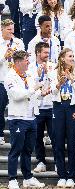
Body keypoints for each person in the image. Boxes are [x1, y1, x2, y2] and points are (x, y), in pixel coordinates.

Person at [4, 50, 45, 189]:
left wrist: (41, 93)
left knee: (28, 150)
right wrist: (34, 89)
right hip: (17, 118)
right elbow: (16, 95)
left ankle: (27, 178)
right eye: (26, 60)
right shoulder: (9, 76)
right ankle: (12, 179)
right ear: (17, 62)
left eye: (28, 60)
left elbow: (34, 94)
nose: (28, 62)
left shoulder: (29, 75)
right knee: (16, 150)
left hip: (31, 117)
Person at [49, 48, 75, 188]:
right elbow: (52, 91)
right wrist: (59, 83)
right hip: (58, 106)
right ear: (62, 58)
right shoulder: (53, 71)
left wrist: (71, 79)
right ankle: (61, 175)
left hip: (72, 107)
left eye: (73, 56)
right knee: (58, 141)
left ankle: (71, 175)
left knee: (72, 140)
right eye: (70, 56)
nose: (72, 58)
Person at [27, 42, 56, 173]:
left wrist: (48, 73)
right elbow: (31, 86)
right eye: (45, 52)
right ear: (38, 52)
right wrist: (39, 76)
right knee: (37, 136)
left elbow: (56, 83)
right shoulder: (30, 68)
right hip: (37, 106)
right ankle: (40, 161)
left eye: (48, 52)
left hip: (51, 106)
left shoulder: (53, 66)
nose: (47, 55)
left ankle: (58, 161)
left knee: (55, 135)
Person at [0, 19, 25, 145]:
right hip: (2, 79)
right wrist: (4, 56)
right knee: (0, 107)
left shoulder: (18, 42)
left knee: (17, 107)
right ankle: (0, 134)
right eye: (9, 29)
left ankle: (18, 133)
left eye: (13, 29)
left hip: (16, 79)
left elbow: (24, 58)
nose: (11, 32)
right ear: (2, 29)